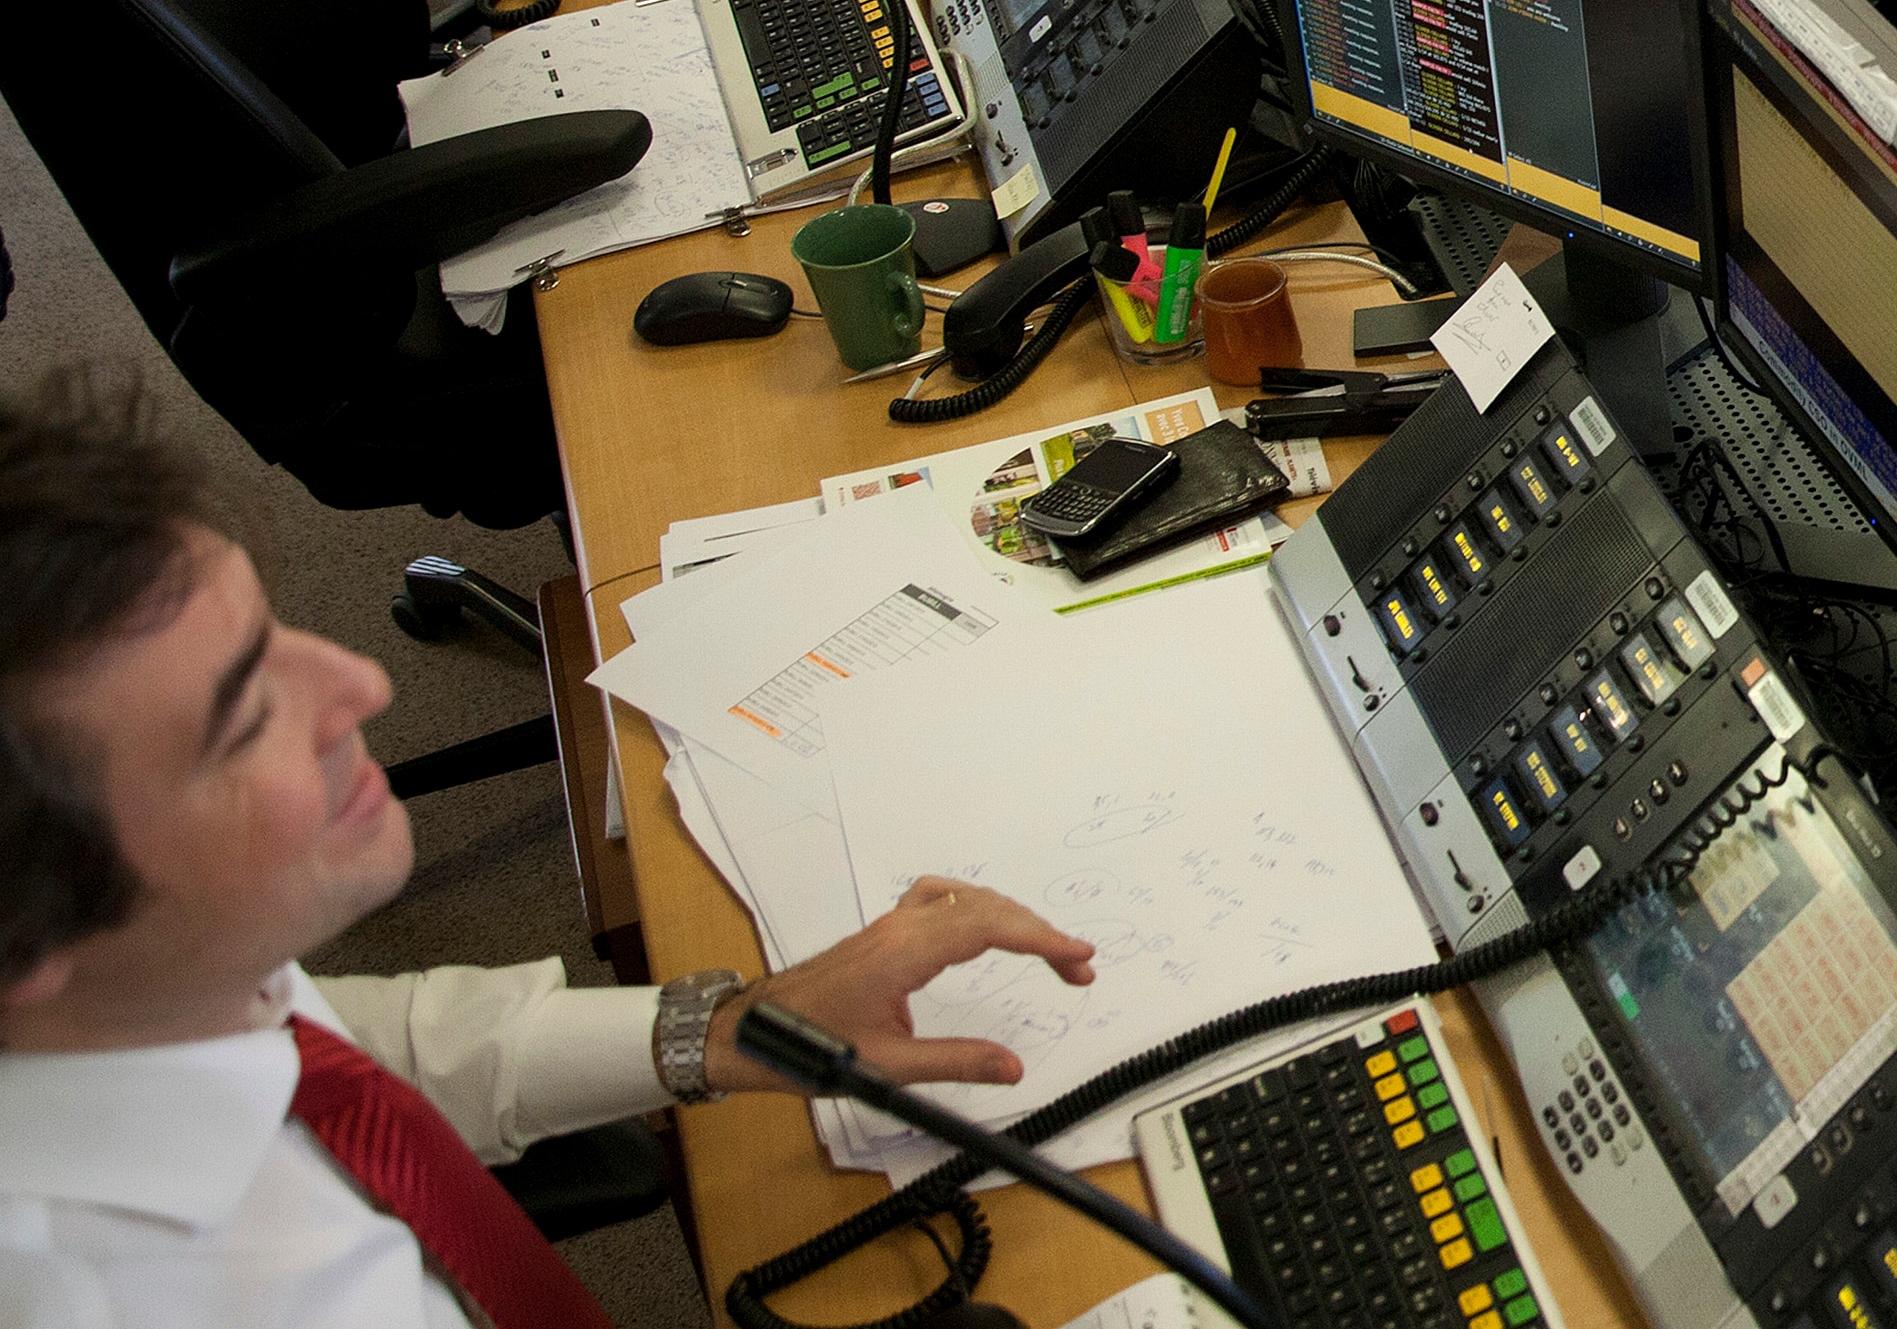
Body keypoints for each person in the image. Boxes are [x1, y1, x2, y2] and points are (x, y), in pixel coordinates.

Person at [0, 374, 1103, 1326]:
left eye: (271, 628)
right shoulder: (127, 1293)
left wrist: (732, 1027)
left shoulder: (143, 999)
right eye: (244, 720)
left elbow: (351, 1045)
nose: (364, 686)